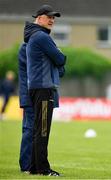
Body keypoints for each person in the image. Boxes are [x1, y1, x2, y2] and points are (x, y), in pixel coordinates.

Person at [23, 4, 66, 176]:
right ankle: (43, 169)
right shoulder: (41, 36)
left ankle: (34, 167)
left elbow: (57, 61)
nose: (52, 20)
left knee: (37, 130)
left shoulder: (34, 36)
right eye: (49, 17)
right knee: (42, 130)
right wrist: (59, 56)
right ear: (39, 18)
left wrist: (58, 59)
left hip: (36, 87)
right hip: (43, 88)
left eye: (54, 18)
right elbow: (60, 59)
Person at [18, 43, 34, 172]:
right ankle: (26, 165)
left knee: (28, 129)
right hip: (30, 95)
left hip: (27, 94)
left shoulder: (26, 46)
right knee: (30, 129)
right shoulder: (27, 47)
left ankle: (27, 164)